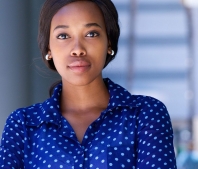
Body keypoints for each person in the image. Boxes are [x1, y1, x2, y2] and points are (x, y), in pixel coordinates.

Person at [0, 0, 177, 168]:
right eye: (63, 36)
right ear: (48, 48)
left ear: (109, 42)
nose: (77, 49)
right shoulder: (23, 125)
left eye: (91, 34)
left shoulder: (145, 115)